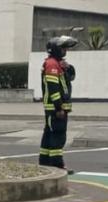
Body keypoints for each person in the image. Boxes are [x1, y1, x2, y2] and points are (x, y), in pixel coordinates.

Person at [39, 35, 78, 172]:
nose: (65, 51)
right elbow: (53, 87)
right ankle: (57, 165)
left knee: (49, 134)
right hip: (56, 109)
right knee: (58, 135)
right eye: (63, 48)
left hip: (56, 108)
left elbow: (70, 78)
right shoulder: (52, 65)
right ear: (55, 49)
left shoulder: (57, 64)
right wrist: (58, 107)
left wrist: (68, 68)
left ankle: (44, 163)